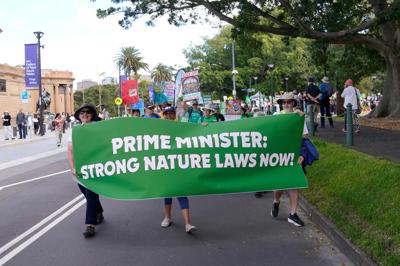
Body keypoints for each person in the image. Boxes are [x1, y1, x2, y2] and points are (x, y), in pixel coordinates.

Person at [270, 92, 308, 227]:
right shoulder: (276, 116)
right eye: (284, 102)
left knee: (293, 184)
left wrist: (302, 153)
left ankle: (293, 214)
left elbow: (304, 137)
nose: (286, 104)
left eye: (289, 102)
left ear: (293, 103)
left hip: (294, 155)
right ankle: (276, 201)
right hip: (279, 155)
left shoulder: (298, 117)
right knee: (280, 184)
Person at [67, 103, 104, 238]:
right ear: (79, 116)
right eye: (82, 113)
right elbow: (70, 151)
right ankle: (98, 211)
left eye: (88, 112)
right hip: (81, 168)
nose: (85, 115)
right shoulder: (75, 131)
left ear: (92, 115)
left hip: (95, 168)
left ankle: (90, 225)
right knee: (85, 192)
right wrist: (72, 168)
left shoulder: (99, 129)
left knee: (91, 194)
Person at [160, 106, 196, 233]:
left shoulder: (181, 126)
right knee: (167, 193)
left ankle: (187, 223)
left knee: (181, 192)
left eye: (171, 113)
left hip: (179, 164)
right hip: (165, 165)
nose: (169, 116)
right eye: (167, 114)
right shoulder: (158, 127)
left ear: (174, 115)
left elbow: (194, 131)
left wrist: (203, 125)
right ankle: (167, 217)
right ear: (163, 115)